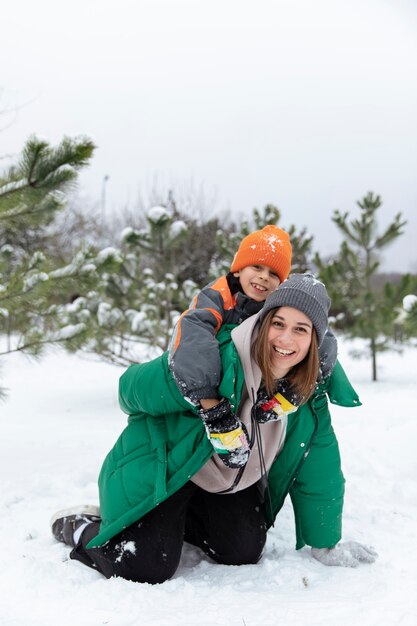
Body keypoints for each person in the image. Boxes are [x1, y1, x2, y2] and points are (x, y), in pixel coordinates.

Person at [51, 273, 377, 583]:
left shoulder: (305, 395)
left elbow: (319, 468)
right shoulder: (215, 359)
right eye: (278, 323)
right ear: (263, 324)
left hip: (223, 481)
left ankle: (176, 525)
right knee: (146, 565)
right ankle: (81, 528)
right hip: (168, 469)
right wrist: (195, 392)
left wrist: (325, 543)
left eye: (300, 329)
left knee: (242, 549)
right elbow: (128, 389)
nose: (285, 339)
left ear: (315, 341)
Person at [168, 224, 293, 468]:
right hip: (209, 392)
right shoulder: (216, 296)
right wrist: (213, 408)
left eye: (273, 273)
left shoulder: (281, 305)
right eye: (256, 267)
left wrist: (297, 388)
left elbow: (319, 336)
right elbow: (194, 338)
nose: (263, 277)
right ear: (238, 269)